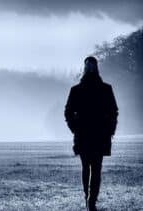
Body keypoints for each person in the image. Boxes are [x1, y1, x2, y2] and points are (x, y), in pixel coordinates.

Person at [64, 56, 118, 211]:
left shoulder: (105, 89)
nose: (90, 68)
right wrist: (75, 127)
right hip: (87, 134)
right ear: (86, 68)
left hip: (97, 135)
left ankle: (91, 199)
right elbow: (68, 112)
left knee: (94, 168)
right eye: (88, 65)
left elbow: (113, 112)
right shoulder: (78, 90)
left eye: (91, 65)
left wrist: (110, 129)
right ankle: (88, 198)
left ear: (95, 67)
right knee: (88, 168)